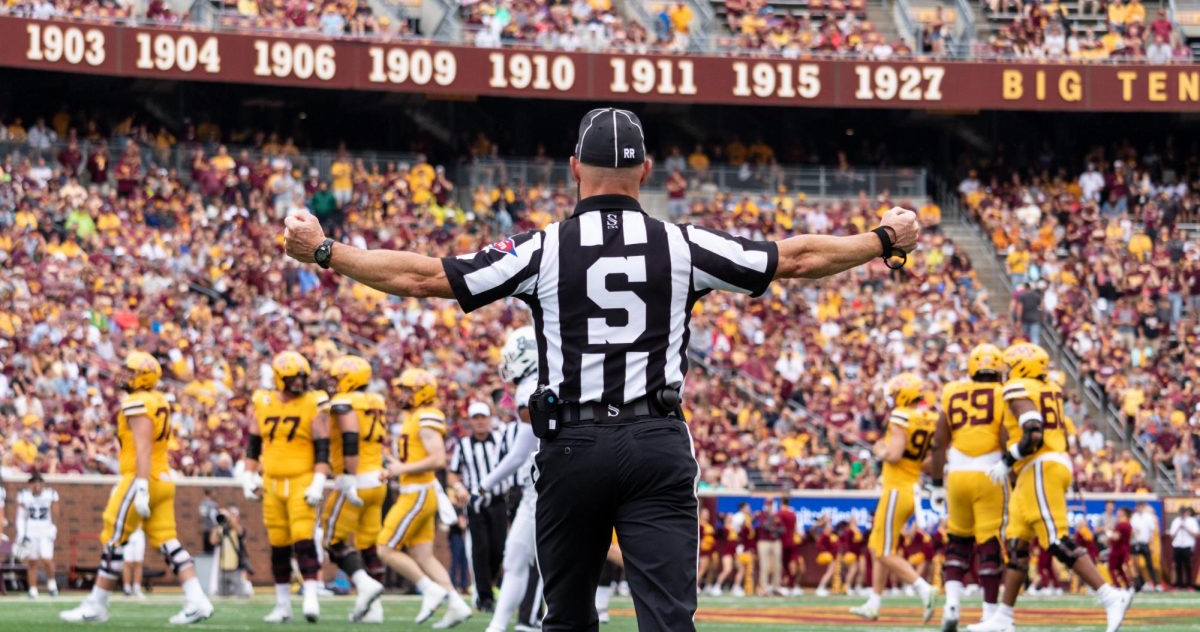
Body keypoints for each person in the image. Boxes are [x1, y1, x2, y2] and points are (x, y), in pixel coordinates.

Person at [282, 106, 920, 632]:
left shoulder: (543, 247)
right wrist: (883, 240)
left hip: (573, 444)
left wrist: (326, 251)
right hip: (656, 440)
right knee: (669, 620)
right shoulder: (682, 243)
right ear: (645, 169)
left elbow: (423, 276)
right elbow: (797, 258)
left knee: (567, 618)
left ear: (574, 170)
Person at [970, 343, 1132, 632]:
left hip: (1039, 466)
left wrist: (1008, 460)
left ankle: (1111, 596)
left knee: (1056, 540)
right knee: (1017, 545)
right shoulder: (1050, 389)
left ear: (1021, 367)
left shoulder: (1019, 387)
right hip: (1043, 466)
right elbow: (1062, 438)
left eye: (1009, 366)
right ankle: (1003, 618)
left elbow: (1033, 430)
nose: (1005, 372)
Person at [60, 352, 214, 624]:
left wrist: (140, 485)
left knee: (112, 536)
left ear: (142, 377)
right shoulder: (158, 399)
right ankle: (197, 599)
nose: (124, 375)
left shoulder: (138, 401)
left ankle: (96, 603)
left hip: (142, 479)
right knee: (168, 541)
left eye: (130, 372)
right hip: (163, 478)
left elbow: (143, 447)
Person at [377, 368, 473, 628]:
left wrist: (402, 469)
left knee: (385, 548)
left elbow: (437, 459)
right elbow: (415, 457)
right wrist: (394, 468)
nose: (402, 394)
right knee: (423, 555)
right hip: (416, 490)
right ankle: (456, 604)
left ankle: (429, 589)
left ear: (421, 392)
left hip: (418, 493)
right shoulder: (413, 416)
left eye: (408, 390)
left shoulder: (426, 416)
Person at [240, 351, 332, 623]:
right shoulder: (263, 401)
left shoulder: (313, 403)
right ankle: (283, 606)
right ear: (280, 378)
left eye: (302, 378)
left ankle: (311, 596)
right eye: (294, 379)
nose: (300, 384)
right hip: (271, 482)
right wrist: (248, 475)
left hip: (301, 479)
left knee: (304, 539)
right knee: (278, 545)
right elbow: (253, 444)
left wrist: (318, 481)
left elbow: (322, 448)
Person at [930, 343, 1008, 631]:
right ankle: (989, 614)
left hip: (958, 473)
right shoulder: (1002, 394)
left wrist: (937, 484)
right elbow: (1004, 436)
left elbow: (939, 441)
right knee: (989, 544)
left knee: (958, 541)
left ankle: (952, 604)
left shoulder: (952, 391)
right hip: (990, 472)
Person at [851, 373, 938, 621]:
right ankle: (874, 602)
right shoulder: (930, 417)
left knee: (882, 551)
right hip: (912, 487)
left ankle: (924, 588)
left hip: (896, 489)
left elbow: (894, 454)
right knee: (878, 546)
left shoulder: (902, 416)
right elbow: (928, 463)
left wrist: (880, 450)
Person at [483, 326, 545, 632]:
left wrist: (485, 483)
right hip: (544, 484)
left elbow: (520, 452)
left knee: (534, 559)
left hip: (543, 486)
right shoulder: (549, 380)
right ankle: (498, 626)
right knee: (517, 558)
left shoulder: (529, 388)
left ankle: (526, 621)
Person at [320, 355, 387, 622]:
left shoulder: (345, 402)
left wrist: (348, 474)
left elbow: (350, 436)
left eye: (338, 378)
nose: (335, 383)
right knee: (368, 545)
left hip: (356, 478)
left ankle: (365, 584)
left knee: (332, 539)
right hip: (377, 479)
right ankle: (375, 610)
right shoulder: (376, 400)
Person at [448, 400, 509, 612]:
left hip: (499, 500)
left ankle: (487, 585)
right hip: (474, 503)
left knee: (499, 549)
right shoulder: (463, 445)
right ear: (470, 422)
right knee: (480, 549)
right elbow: (452, 472)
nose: (480, 422)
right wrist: (458, 487)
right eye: (476, 418)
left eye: (483, 417)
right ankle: (485, 598)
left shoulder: (501, 440)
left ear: (489, 419)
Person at [16, 471, 59, 598]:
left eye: (39, 482)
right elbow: (21, 517)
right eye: (34, 482)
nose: (37, 485)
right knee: (32, 561)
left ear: (43, 483)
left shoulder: (50, 494)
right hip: (31, 530)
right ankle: (33, 589)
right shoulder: (24, 495)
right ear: (29, 485)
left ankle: (52, 583)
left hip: (45, 530)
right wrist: (21, 533)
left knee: (47, 559)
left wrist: (53, 528)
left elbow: (55, 513)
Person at [1130, 501, 1161, 591]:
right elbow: (1132, 529)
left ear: (1143, 507)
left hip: (1145, 543)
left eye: (1140, 506)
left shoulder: (1149, 517)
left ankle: (1155, 583)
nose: (1139, 508)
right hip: (1136, 543)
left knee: (1149, 564)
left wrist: (1151, 544)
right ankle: (1140, 583)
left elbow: (1151, 532)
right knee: (1136, 565)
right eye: (1137, 507)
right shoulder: (1134, 517)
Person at [1168, 507, 1198, 589]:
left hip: (1187, 545)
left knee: (1187, 565)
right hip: (1177, 545)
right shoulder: (1176, 521)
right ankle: (1179, 584)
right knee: (1178, 565)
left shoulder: (1191, 521)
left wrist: (1186, 528)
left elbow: (1196, 534)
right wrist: (1179, 528)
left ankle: (1189, 584)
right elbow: (1171, 535)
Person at [123, 529, 146, 598]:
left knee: (138, 563)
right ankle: (127, 588)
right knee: (127, 563)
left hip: (139, 533)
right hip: (127, 532)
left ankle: (137, 588)